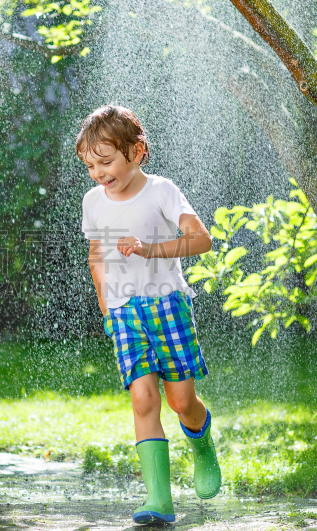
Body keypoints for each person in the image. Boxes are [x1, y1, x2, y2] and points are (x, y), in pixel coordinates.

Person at [78, 106, 221, 523]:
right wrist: (107, 308)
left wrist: (151, 248)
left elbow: (202, 240)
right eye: (90, 165)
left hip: (167, 306)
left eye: (106, 162)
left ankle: (202, 444)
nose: (98, 173)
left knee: (180, 401)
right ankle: (159, 502)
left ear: (137, 152)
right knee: (143, 399)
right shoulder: (93, 202)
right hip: (124, 313)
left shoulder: (161, 191)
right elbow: (97, 255)